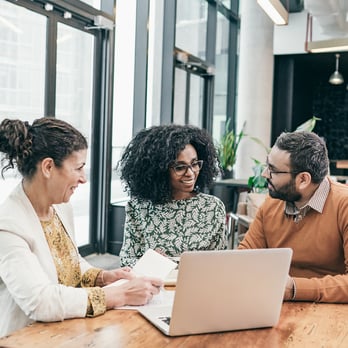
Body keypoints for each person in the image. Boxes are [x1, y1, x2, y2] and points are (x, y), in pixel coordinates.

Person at [0, 117, 162, 338]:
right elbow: (41, 302)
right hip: (26, 337)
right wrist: (120, 294)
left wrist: (104, 277)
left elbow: (70, 264)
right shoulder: (8, 225)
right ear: (48, 167)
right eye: (78, 168)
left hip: (66, 330)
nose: (83, 179)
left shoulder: (59, 207)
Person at [238, 131, 348, 303]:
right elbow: (243, 260)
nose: (265, 174)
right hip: (275, 307)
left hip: (332, 314)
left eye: (273, 170)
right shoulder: (271, 204)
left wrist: (295, 289)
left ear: (303, 179)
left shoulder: (344, 205)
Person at [118, 124, 227, 267]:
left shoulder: (212, 207)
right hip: (153, 284)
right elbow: (127, 260)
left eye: (194, 164)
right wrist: (150, 262)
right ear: (160, 170)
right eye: (180, 167)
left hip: (197, 283)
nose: (190, 173)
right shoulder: (139, 207)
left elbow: (219, 261)